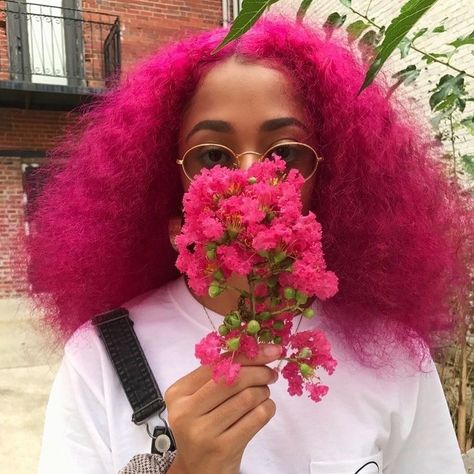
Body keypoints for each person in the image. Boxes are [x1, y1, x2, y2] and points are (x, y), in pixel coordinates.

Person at [29, 17, 471, 474]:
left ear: (336, 176)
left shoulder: (394, 356)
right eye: (214, 156)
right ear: (168, 179)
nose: (250, 179)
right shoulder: (100, 358)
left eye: (284, 154)